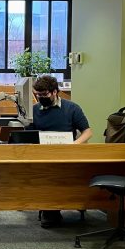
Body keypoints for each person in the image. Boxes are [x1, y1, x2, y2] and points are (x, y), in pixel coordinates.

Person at [30, 75, 92, 228]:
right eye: (38, 95)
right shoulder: (34, 110)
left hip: (67, 153)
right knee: (45, 172)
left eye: (44, 94)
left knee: (61, 173)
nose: (40, 98)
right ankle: (50, 210)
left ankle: (56, 207)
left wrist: (75, 144)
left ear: (55, 92)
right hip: (43, 155)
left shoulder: (72, 108)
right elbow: (29, 134)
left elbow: (87, 132)